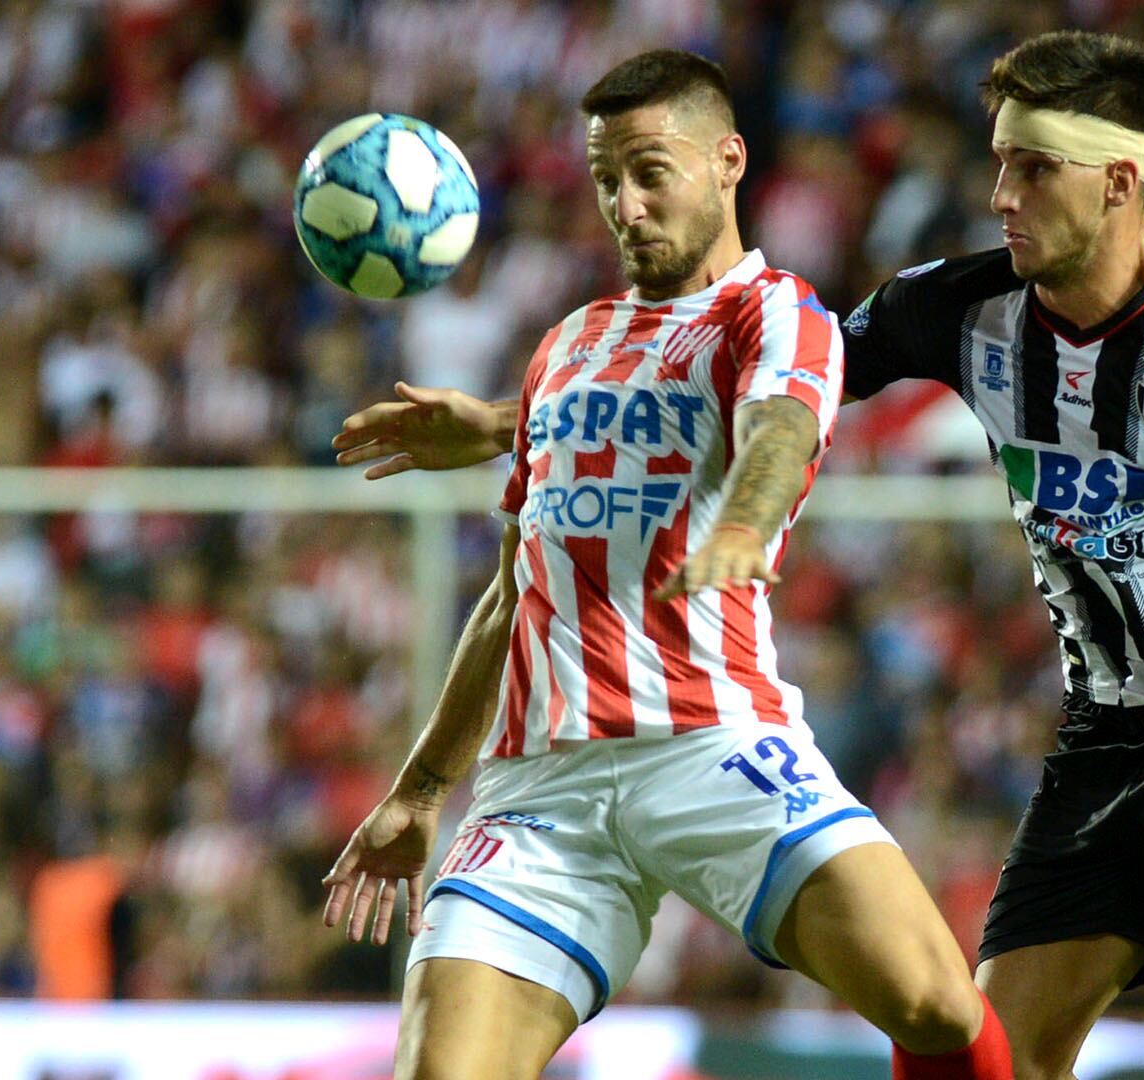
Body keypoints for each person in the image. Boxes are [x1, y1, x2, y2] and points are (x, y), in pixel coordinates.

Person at [333, 32, 1144, 1080]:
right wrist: (505, 422)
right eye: (998, 163)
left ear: (1118, 181)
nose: (999, 195)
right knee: (998, 1048)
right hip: (1106, 737)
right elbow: (765, 380)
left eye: (1031, 170)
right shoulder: (954, 308)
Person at [319, 50, 1012, 1080]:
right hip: (537, 796)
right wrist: (421, 791)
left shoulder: (775, 312)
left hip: (712, 744)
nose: (625, 205)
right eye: (606, 179)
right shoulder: (568, 342)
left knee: (936, 1005)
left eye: (652, 171)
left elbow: (779, 424)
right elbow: (514, 590)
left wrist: (745, 523)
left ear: (728, 161)